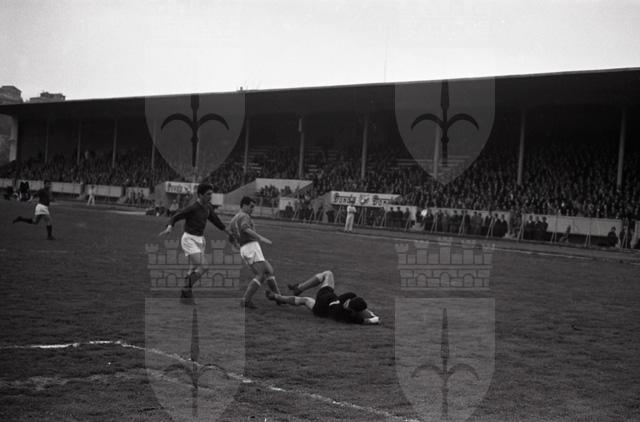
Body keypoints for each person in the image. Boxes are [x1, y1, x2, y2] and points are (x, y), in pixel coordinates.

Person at [158, 183, 229, 304]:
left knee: (192, 269)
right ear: (200, 195)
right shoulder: (193, 208)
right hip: (189, 240)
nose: (210, 196)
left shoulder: (208, 207)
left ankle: (184, 297)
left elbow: (216, 221)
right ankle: (186, 289)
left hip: (200, 240)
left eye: (211, 194)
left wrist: (228, 232)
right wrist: (169, 227)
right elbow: (175, 217)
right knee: (204, 266)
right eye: (208, 194)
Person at [266, 270, 380, 325]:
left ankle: (294, 290)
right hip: (324, 303)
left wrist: (372, 316)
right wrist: (374, 316)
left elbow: (366, 319)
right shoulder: (350, 317)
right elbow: (368, 320)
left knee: (327, 274)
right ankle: (277, 296)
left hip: (323, 302)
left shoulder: (346, 312)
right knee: (304, 300)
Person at [229, 196, 281, 309]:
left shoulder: (233, 219)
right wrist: (260, 237)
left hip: (245, 248)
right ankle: (246, 300)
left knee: (268, 270)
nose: (252, 209)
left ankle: (279, 298)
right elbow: (245, 228)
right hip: (251, 246)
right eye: (251, 206)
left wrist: (236, 245)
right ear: (244, 205)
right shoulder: (244, 216)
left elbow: (230, 236)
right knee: (260, 275)